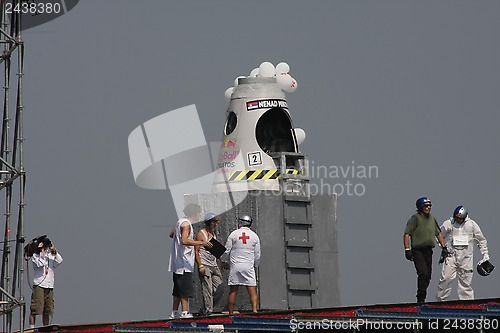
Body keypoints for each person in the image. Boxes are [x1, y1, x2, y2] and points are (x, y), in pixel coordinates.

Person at [436, 206, 490, 301]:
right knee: (445, 279)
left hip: (466, 258)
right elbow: (439, 235)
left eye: (460, 218)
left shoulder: (471, 225)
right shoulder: (449, 223)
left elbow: (481, 240)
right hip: (451, 256)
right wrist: (443, 247)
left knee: (466, 283)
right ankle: (441, 302)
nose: (458, 220)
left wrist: (485, 254)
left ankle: (468, 305)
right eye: (456, 218)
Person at [168, 203, 212, 319]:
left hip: (177, 262)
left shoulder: (180, 222)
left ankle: (174, 312)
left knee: (177, 289)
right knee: (184, 288)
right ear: (194, 213)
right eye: (199, 213)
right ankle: (184, 312)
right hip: (184, 261)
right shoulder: (187, 225)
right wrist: (200, 242)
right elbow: (184, 240)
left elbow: (172, 234)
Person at [404, 197, 448, 303]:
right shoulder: (415, 218)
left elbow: (438, 233)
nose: (428, 208)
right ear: (420, 207)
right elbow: (406, 234)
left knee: (428, 275)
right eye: (426, 206)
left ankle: (423, 292)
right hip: (417, 250)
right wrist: (407, 249)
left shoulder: (432, 219)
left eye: (429, 206)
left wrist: (444, 247)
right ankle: (421, 296)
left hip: (428, 251)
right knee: (422, 272)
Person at [221, 215, 261, 314]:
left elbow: (226, 250)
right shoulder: (254, 236)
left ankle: (230, 313)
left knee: (233, 290)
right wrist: (255, 265)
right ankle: (255, 310)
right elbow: (257, 254)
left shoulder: (234, 234)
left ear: (241, 223)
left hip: (235, 266)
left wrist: (224, 260)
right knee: (252, 289)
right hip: (248, 266)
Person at [29, 236, 63, 328]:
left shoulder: (50, 255)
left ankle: (45, 327)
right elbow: (40, 264)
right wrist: (41, 252)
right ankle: (32, 327)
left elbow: (59, 261)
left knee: (47, 310)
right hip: (39, 284)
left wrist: (54, 250)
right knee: (35, 309)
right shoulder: (35, 256)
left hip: (49, 285)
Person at [195, 213, 224, 316]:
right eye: (214, 222)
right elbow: (196, 251)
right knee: (207, 288)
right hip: (205, 265)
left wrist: (222, 261)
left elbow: (215, 251)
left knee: (220, 288)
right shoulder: (201, 234)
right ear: (208, 222)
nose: (216, 224)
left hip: (214, 265)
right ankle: (208, 311)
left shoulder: (213, 235)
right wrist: (200, 265)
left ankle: (205, 308)